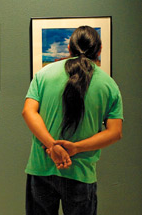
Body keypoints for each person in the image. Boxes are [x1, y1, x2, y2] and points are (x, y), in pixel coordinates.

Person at [22, 26, 123, 215]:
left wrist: (52, 146)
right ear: (99, 50)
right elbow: (115, 132)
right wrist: (75, 148)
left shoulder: (43, 75)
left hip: (42, 167)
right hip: (81, 172)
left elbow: (28, 112)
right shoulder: (109, 85)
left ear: (69, 48)